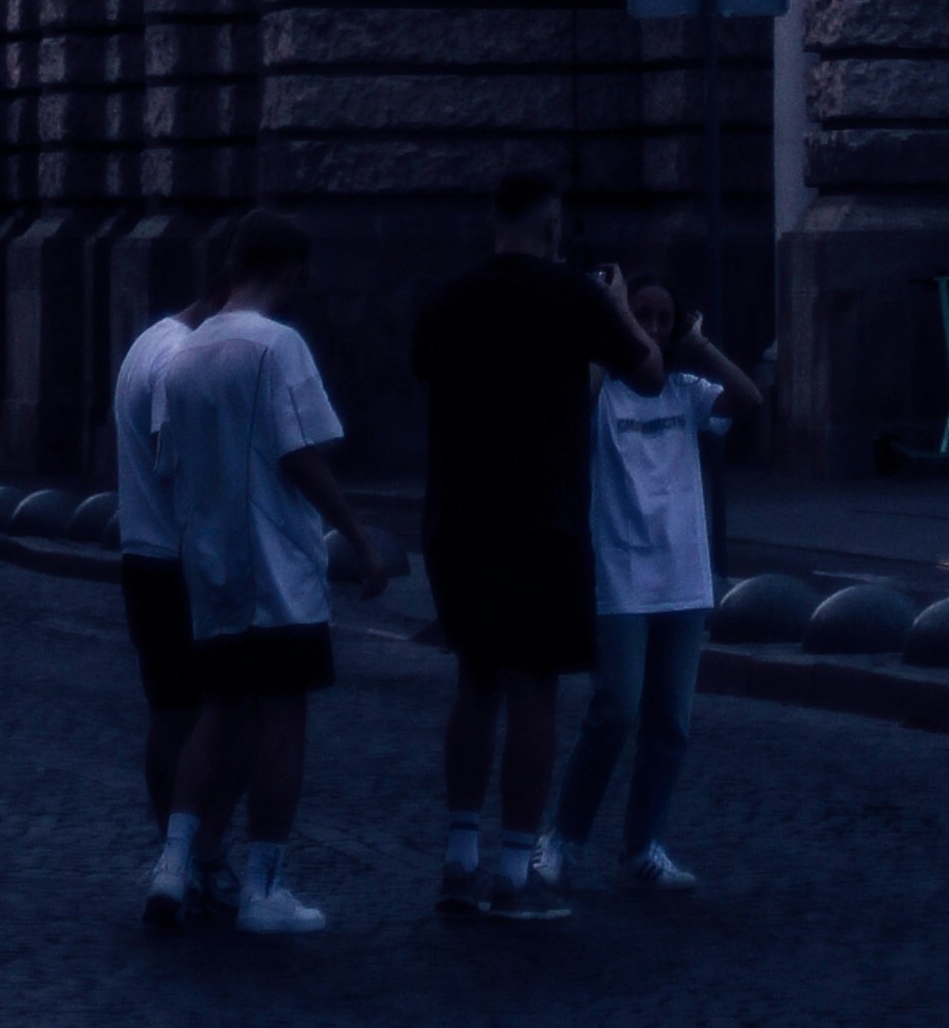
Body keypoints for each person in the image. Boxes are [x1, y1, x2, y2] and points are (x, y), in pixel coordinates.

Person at [412, 172, 665, 923]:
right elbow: (649, 375)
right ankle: (516, 871)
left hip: (458, 518)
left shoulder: (449, 297)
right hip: (542, 519)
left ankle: (459, 860)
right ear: (553, 227)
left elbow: (429, 377)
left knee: (476, 682)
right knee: (534, 688)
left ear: (494, 220)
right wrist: (617, 305)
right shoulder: (575, 297)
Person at [149, 215, 402, 941]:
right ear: (290, 270)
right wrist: (358, 537)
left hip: (214, 568)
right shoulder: (278, 346)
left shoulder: (185, 354)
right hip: (278, 568)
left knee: (218, 714)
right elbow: (301, 453)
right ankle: (263, 886)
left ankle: (173, 864)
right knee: (283, 725)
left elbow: (170, 463)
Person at [541, 274, 769, 899]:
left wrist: (699, 345)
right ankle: (562, 838)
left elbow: (748, 400)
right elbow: (576, 397)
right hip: (621, 572)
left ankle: (643, 845)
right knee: (614, 707)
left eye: (664, 317)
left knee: (669, 720)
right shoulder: (604, 391)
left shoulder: (686, 391)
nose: (654, 326)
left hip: (682, 575)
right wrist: (611, 322)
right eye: (643, 314)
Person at [112, 231, 234, 879]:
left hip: (145, 553)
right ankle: (195, 851)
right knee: (218, 717)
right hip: (177, 559)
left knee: (171, 713)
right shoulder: (180, 359)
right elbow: (177, 462)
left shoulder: (150, 341)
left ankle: (178, 848)